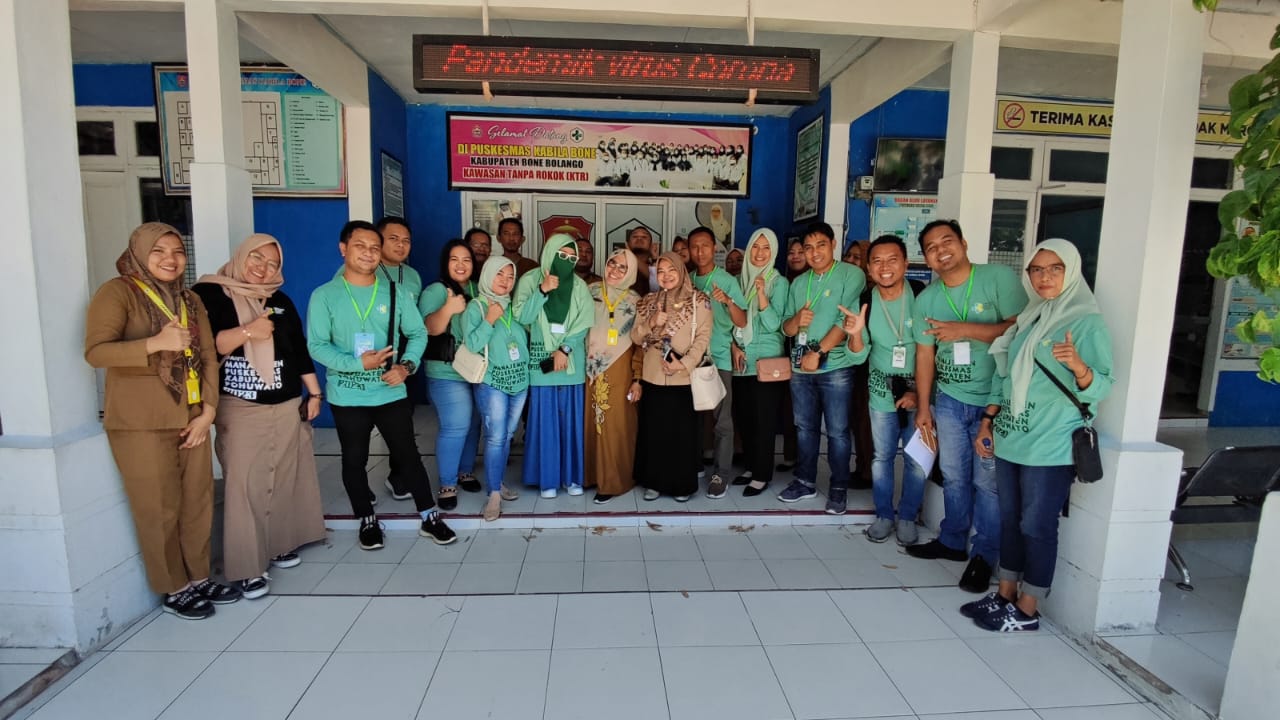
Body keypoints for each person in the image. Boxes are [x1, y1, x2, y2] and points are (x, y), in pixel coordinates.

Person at [85, 222, 241, 619]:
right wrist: (155, 343)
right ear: (139, 252)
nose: (170, 259)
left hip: (192, 417)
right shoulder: (118, 292)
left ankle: (199, 576)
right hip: (141, 422)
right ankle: (174, 587)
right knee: (158, 507)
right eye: (159, 251)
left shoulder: (189, 299)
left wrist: (208, 411)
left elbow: (208, 357)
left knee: (197, 503)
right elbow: (96, 352)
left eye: (177, 252)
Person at [967, 238, 1114, 631]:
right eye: (1036, 269)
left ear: (1071, 271)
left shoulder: (1086, 322)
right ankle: (1005, 594)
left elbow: (1102, 385)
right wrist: (988, 420)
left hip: (1051, 443)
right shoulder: (1031, 316)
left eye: (1054, 269)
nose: (1044, 277)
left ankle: (1028, 607)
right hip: (1012, 436)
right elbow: (1004, 375)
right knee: (1010, 519)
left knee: (1037, 525)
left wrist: (1080, 367)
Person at [307, 220, 456, 550]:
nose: (369, 253)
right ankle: (366, 518)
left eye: (375, 248)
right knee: (354, 458)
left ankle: (429, 516)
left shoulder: (395, 292)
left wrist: (407, 366)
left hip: (390, 390)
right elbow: (316, 345)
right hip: (347, 394)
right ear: (343, 249)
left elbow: (417, 334)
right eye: (360, 246)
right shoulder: (325, 295)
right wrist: (357, 364)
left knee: (408, 455)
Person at [192, 234, 325, 599]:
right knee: (244, 484)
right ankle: (247, 568)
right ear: (241, 256)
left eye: (272, 264)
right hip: (240, 404)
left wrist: (314, 393)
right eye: (257, 259)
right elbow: (205, 346)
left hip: (285, 402)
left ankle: (278, 545)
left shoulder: (279, 299)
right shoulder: (209, 295)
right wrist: (249, 331)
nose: (263, 268)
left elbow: (297, 351)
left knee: (282, 477)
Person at [906, 219, 1028, 594]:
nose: (940, 251)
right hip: (949, 398)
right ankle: (952, 540)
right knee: (954, 475)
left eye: (947, 241)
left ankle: (984, 555)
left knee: (987, 483)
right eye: (931, 247)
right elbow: (924, 355)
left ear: (963, 243)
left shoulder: (998, 279)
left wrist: (965, 330)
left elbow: (1023, 329)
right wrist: (923, 407)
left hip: (996, 399)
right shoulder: (927, 298)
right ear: (926, 257)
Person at [777, 222, 867, 515]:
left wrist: (818, 352)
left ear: (833, 244)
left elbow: (846, 320)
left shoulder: (850, 274)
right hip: (801, 368)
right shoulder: (798, 283)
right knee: (804, 428)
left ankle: (839, 488)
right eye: (808, 247)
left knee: (838, 431)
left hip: (835, 367)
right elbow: (787, 328)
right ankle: (805, 481)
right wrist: (797, 320)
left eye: (821, 245)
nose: (814, 253)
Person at [848, 236, 928, 546]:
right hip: (881, 388)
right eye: (877, 261)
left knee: (915, 458)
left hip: (919, 387)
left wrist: (919, 393)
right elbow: (858, 355)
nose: (885, 267)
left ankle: (907, 517)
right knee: (881, 457)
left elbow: (933, 350)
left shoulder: (921, 295)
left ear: (906, 264)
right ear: (869, 268)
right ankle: (884, 515)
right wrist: (855, 334)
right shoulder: (865, 302)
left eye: (892, 260)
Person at [513, 233, 594, 498]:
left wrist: (565, 348)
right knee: (545, 423)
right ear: (549, 253)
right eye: (561, 255)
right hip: (541, 362)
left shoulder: (579, 285)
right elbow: (521, 315)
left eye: (572, 257)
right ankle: (547, 480)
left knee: (571, 423)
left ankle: (572, 478)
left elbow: (584, 321)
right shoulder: (530, 280)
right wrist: (542, 290)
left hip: (571, 362)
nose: (567, 261)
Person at [632, 253, 713, 501]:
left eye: (671, 270)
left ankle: (681, 486)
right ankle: (654, 483)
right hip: (653, 377)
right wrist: (651, 322)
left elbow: (703, 338)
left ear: (681, 271)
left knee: (682, 434)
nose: (666, 276)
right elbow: (635, 337)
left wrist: (684, 364)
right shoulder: (648, 301)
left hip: (683, 378)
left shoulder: (699, 300)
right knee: (654, 432)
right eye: (661, 271)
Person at [419, 239, 485, 510]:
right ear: (445, 263)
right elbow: (427, 328)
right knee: (456, 424)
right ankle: (447, 483)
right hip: (446, 371)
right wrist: (449, 308)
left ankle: (465, 471)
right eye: (454, 259)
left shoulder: (477, 289)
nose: (461, 265)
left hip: (476, 369)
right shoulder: (437, 290)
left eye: (466, 259)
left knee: (474, 423)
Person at [463, 257, 530, 521]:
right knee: (495, 437)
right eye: (499, 274)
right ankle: (493, 495)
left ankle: (498, 482)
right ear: (487, 275)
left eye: (510, 277)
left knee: (507, 435)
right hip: (492, 382)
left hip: (520, 380)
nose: (505, 281)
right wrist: (490, 320)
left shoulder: (514, 307)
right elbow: (472, 344)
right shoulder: (477, 307)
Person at [728, 229, 790, 497]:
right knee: (745, 418)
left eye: (766, 248)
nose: (760, 253)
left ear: (773, 252)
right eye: (755, 247)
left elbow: (776, 324)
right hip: (741, 360)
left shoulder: (778, 282)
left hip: (767, 362)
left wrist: (762, 295)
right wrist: (733, 346)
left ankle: (762, 474)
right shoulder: (738, 281)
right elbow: (727, 321)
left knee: (764, 421)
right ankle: (751, 466)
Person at [689, 227, 748, 499]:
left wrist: (728, 301)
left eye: (705, 246)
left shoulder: (726, 281)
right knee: (690, 417)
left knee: (721, 420)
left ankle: (720, 474)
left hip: (718, 358)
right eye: (694, 246)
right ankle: (693, 464)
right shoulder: (687, 279)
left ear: (715, 248)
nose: (699, 251)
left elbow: (742, 321)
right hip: (689, 359)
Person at [584, 249, 643, 504]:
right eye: (612, 263)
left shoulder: (636, 301)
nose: (615, 270)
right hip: (589, 368)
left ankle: (615, 481)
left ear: (631, 272)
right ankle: (591, 476)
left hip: (621, 369)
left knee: (617, 426)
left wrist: (637, 378)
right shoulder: (590, 291)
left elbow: (641, 344)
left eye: (623, 267)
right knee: (591, 423)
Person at [375, 216, 423, 501]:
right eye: (393, 239)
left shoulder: (412, 276)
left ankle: (398, 474)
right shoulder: (359, 271)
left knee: (402, 417)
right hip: (371, 351)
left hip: (406, 352)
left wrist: (408, 360)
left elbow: (416, 324)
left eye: (406, 241)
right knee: (361, 422)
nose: (400, 245)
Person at [844, 238, 874, 489]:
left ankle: (868, 472)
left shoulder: (872, 294)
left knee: (866, 420)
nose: (851, 261)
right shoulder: (852, 289)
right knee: (857, 419)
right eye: (849, 256)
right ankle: (862, 466)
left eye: (857, 257)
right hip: (852, 362)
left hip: (872, 364)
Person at [777, 236, 808, 472]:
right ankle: (790, 456)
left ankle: (805, 461)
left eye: (800, 252)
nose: (795, 256)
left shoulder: (814, 283)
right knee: (789, 409)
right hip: (785, 354)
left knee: (806, 412)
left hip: (811, 356)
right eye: (791, 252)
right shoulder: (782, 283)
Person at [627, 226, 659, 295]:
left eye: (644, 237)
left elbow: (654, 277)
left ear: (651, 245)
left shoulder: (657, 263)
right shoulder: (620, 262)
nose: (639, 239)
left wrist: (655, 258)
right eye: (635, 236)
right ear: (628, 243)